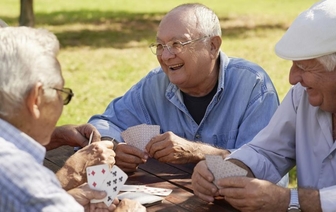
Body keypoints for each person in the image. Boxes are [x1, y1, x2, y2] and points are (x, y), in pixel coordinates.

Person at [88, 3, 280, 174]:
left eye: (176, 44)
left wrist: (197, 152)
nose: (165, 56)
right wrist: (114, 147)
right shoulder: (155, 84)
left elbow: (264, 169)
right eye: (160, 45)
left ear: (213, 46)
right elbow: (102, 123)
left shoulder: (253, 86)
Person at [191, 0, 336, 211]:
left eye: (303, 67)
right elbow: (267, 151)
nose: (292, 78)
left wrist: (287, 200)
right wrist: (224, 170)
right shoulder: (302, 95)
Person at [0, 26, 145, 212]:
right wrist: (72, 173)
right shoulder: (28, 184)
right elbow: (32, 197)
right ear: (36, 99)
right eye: (61, 93)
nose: (62, 103)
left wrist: (67, 198)